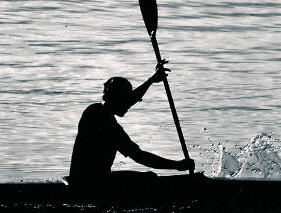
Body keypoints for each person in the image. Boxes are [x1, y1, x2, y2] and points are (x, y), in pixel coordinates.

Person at [67, 64, 197, 185]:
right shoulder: (107, 124)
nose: (129, 105)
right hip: (91, 184)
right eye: (125, 100)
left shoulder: (93, 111)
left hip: (87, 179)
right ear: (117, 98)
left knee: (149, 177)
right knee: (149, 178)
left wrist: (151, 80)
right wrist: (177, 165)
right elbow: (140, 157)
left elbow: (127, 100)